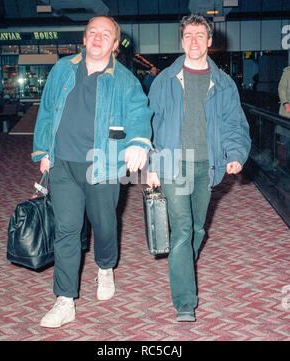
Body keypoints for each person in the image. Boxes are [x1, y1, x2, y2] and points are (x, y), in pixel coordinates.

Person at [32, 15, 152, 328]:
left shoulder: (125, 80)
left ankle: (105, 266)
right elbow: (46, 111)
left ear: (115, 45)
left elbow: (140, 113)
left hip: (106, 166)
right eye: (92, 32)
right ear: (84, 39)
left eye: (106, 34)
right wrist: (44, 151)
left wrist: (139, 142)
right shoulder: (62, 69)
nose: (98, 38)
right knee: (67, 230)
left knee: (104, 225)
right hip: (64, 165)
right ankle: (64, 299)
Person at [146, 14, 251, 322]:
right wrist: (152, 163)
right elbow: (150, 125)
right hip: (173, 164)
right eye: (188, 35)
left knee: (196, 229)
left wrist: (236, 152)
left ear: (209, 41)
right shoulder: (164, 79)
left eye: (199, 35)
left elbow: (234, 124)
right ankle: (184, 302)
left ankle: (181, 268)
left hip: (207, 164)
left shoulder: (224, 83)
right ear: (182, 41)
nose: (193, 40)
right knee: (180, 229)